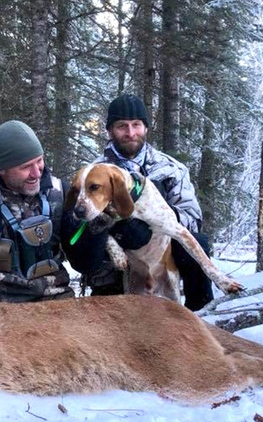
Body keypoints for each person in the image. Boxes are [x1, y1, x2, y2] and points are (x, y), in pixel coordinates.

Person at [76, 93, 214, 310]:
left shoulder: (170, 169)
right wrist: (118, 233)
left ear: (146, 128)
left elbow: (193, 216)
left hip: (162, 253)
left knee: (199, 241)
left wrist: (156, 222)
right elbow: (81, 223)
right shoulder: (92, 173)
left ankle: (201, 313)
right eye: (122, 126)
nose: (130, 133)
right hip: (116, 264)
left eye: (136, 125)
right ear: (110, 130)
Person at [0, 120, 95, 304]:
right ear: (2, 169)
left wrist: (96, 228)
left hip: (58, 303)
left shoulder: (61, 193)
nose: (36, 173)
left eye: (39, 161)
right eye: (25, 166)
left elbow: (86, 263)